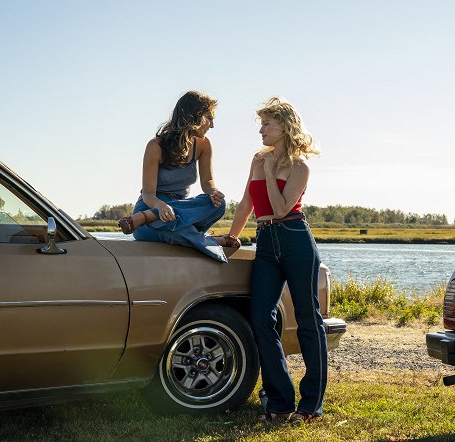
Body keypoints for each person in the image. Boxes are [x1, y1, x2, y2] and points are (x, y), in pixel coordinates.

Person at [226, 97, 326, 423]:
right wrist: (232, 235)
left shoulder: (300, 167)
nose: (261, 130)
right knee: (260, 317)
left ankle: (310, 405)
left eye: (267, 124)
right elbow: (245, 203)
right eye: (261, 124)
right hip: (266, 243)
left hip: (295, 238)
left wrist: (271, 172)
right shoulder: (257, 159)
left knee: (309, 322)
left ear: (284, 125)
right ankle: (280, 401)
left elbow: (282, 207)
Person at [118, 91, 239, 262]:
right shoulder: (155, 146)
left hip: (179, 212)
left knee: (219, 205)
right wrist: (160, 207)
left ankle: (150, 217)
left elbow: (207, 182)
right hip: (152, 211)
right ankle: (212, 240)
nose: (212, 125)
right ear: (194, 116)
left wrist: (213, 192)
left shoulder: (203, 145)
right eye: (209, 118)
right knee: (171, 232)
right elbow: (148, 194)